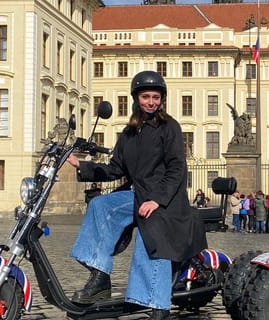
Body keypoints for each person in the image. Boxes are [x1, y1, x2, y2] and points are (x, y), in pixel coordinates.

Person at [65, 70, 206, 320]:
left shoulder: (169, 127)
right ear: (136, 98)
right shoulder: (129, 133)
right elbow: (115, 169)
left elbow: (176, 169)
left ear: (162, 99)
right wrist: (82, 166)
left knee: (151, 234)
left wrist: (156, 200)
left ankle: (157, 305)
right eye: (145, 97)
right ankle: (99, 275)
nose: (151, 102)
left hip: (166, 200)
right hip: (138, 194)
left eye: (155, 97)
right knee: (100, 205)